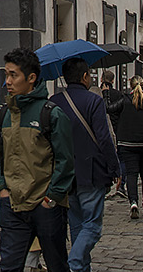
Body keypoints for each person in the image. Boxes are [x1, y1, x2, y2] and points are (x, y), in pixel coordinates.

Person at [0, 47, 73, 272]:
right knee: (9, 266)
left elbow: (65, 161)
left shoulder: (51, 114)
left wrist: (51, 198)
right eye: (6, 74)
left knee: (56, 265)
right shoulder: (2, 115)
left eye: (13, 75)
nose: (7, 81)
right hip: (13, 205)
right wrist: (2, 189)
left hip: (45, 206)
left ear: (31, 78)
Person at [50, 57, 118, 272]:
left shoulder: (54, 101)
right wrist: (115, 167)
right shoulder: (93, 101)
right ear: (85, 76)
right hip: (91, 171)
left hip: (65, 173)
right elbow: (104, 138)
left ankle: (81, 268)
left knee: (78, 226)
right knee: (93, 226)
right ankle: (76, 263)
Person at [108, 76, 143, 219]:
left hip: (128, 143)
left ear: (130, 86)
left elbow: (109, 109)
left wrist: (106, 93)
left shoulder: (125, 100)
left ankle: (133, 202)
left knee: (132, 174)